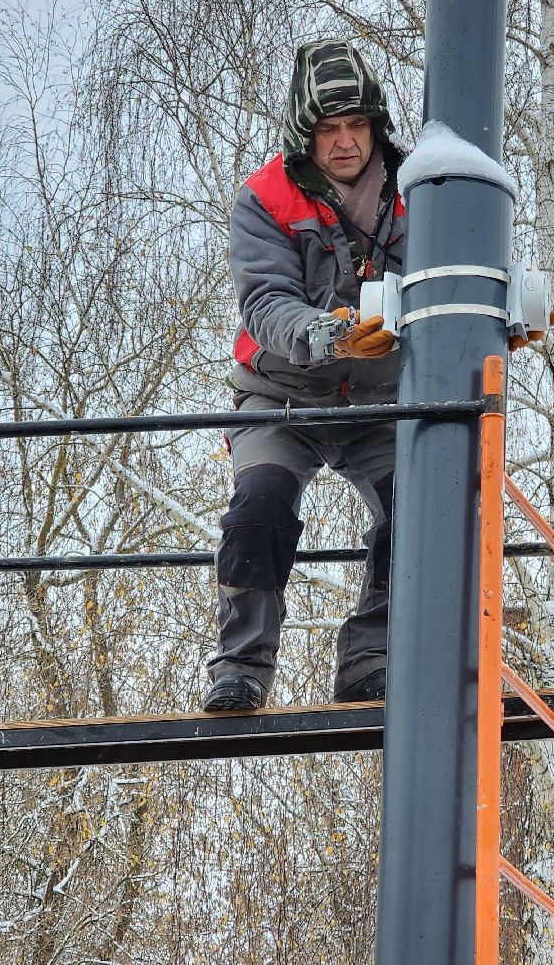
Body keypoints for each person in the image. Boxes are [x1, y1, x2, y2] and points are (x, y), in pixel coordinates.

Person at [204, 39, 407, 712]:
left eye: (357, 126)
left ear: (375, 126)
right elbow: (264, 302)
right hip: (280, 396)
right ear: (305, 133)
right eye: (329, 130)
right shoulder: (264, 197)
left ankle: (373, 655)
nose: (346, 143)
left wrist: (501, 318)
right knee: (258, 508)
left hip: (380, 403)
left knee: (422, 507)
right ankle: (241, 666)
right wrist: (326, 333)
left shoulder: (421, 190)